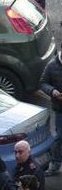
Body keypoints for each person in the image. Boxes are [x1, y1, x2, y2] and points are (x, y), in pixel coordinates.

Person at [40, 45, 62, 176]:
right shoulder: (51, 66)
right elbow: (42, 83)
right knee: (59, 138)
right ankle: (55, 163)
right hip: (60, 109)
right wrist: (53, 91)